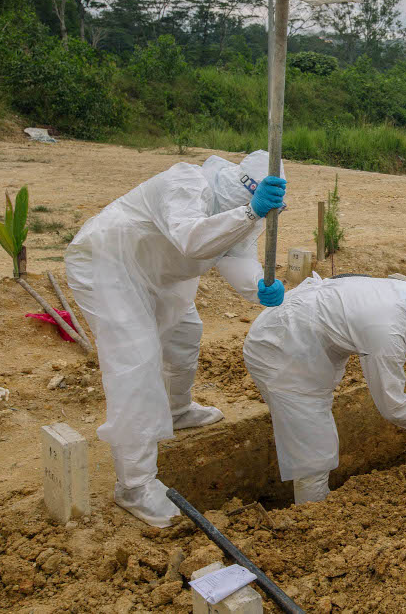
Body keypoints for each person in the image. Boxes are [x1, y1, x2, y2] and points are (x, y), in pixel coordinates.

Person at [65, 151, 287, 527]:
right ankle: (134, 486)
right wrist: (249, 211)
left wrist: (258, 285)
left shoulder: (247, 211)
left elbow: (235, 254)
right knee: (136, 364)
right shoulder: (185, 183)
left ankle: (176, 411)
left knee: (185, 335)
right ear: (237, 188)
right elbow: (193, 240)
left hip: (163, 274)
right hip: (110, 264)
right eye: (247, 206)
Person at [242, 275, 406, 503]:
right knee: (313, 447)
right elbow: (392, 404)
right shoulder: (387, 331)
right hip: (281, 347)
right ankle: (311, 514)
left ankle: (315, 506)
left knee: (314, 429)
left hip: (307, 335)